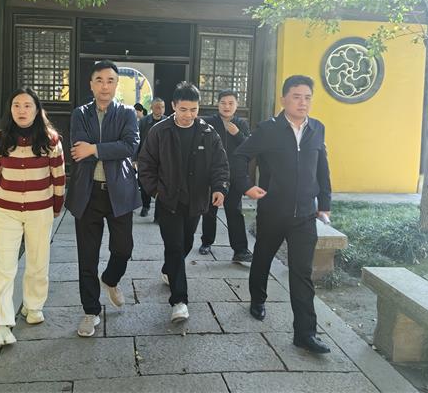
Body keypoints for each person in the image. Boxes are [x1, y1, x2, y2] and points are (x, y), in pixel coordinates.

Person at [232, 75, 332, 354]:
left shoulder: (317, 128)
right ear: (283, 99)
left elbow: (322, 167)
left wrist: (324, 203)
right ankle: (257, 299)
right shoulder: (268, 129)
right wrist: (246, 186)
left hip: (305, 215)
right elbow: (239, 156)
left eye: (307, 97)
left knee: (302, 273)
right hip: (273, 211)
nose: (303, 102)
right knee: (262, 258)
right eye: (297, 97)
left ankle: (305, 333)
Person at [138, 82, 229, 322]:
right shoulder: (159, 132)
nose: (189, 115)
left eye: (194, 109)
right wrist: (156, 192)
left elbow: (220, 164)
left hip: (196, 201)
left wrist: (219, 188)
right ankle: (179, 301)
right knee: (175, 247)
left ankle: (169, 269)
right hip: (169, 201)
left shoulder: (208, 133)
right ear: (173, 106)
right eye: (184, 109)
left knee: (186, 242)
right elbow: (145, 165)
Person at [0, 87, 65, 347]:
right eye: (16, 105)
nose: (21, 110)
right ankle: (1, 324)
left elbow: (58, 178)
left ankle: (33, 305)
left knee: (38, 260)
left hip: (40, 210)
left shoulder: (50, 140)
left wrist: (56, 207)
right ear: (10, 110)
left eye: (27, 105)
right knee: (4, 266)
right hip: (6, 211)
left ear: (37, 110)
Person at [65, 60, 141, 337]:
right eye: (99, 80)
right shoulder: (80, 114)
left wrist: (94, 149)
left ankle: (110, 278)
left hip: (119, 192)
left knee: (124, 248)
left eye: (110, 80)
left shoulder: (127, 113)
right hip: (87, 193)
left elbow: (130, 146)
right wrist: (107, 148)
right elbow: (78, 149)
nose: (105, 86)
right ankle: (90, 311)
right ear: (91, 84)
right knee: (87, 256)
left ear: (117, 84)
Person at [200, 90, 252, 263]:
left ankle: (240, 250)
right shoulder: (209, 122)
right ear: (218, 104)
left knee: (235, 211)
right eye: (223, 103)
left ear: (236, 105)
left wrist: (237, 134)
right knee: (209, 210)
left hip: (234, 176)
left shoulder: (241, 124)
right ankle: (206, 242)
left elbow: (250, 149)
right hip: (212, 174)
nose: (227, 106)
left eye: (231, 103)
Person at [137, 97, 166, 219]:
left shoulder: (168, 121)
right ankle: (145, 205)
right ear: (151, 108)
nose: (160, 110)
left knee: (162, 185)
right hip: (146, 159)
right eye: (157, 107)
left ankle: (158, 214)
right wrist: (134, 159)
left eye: (162, 107)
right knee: (145, 184)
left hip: (163, 160)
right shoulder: (143, 122)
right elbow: (137, 141)